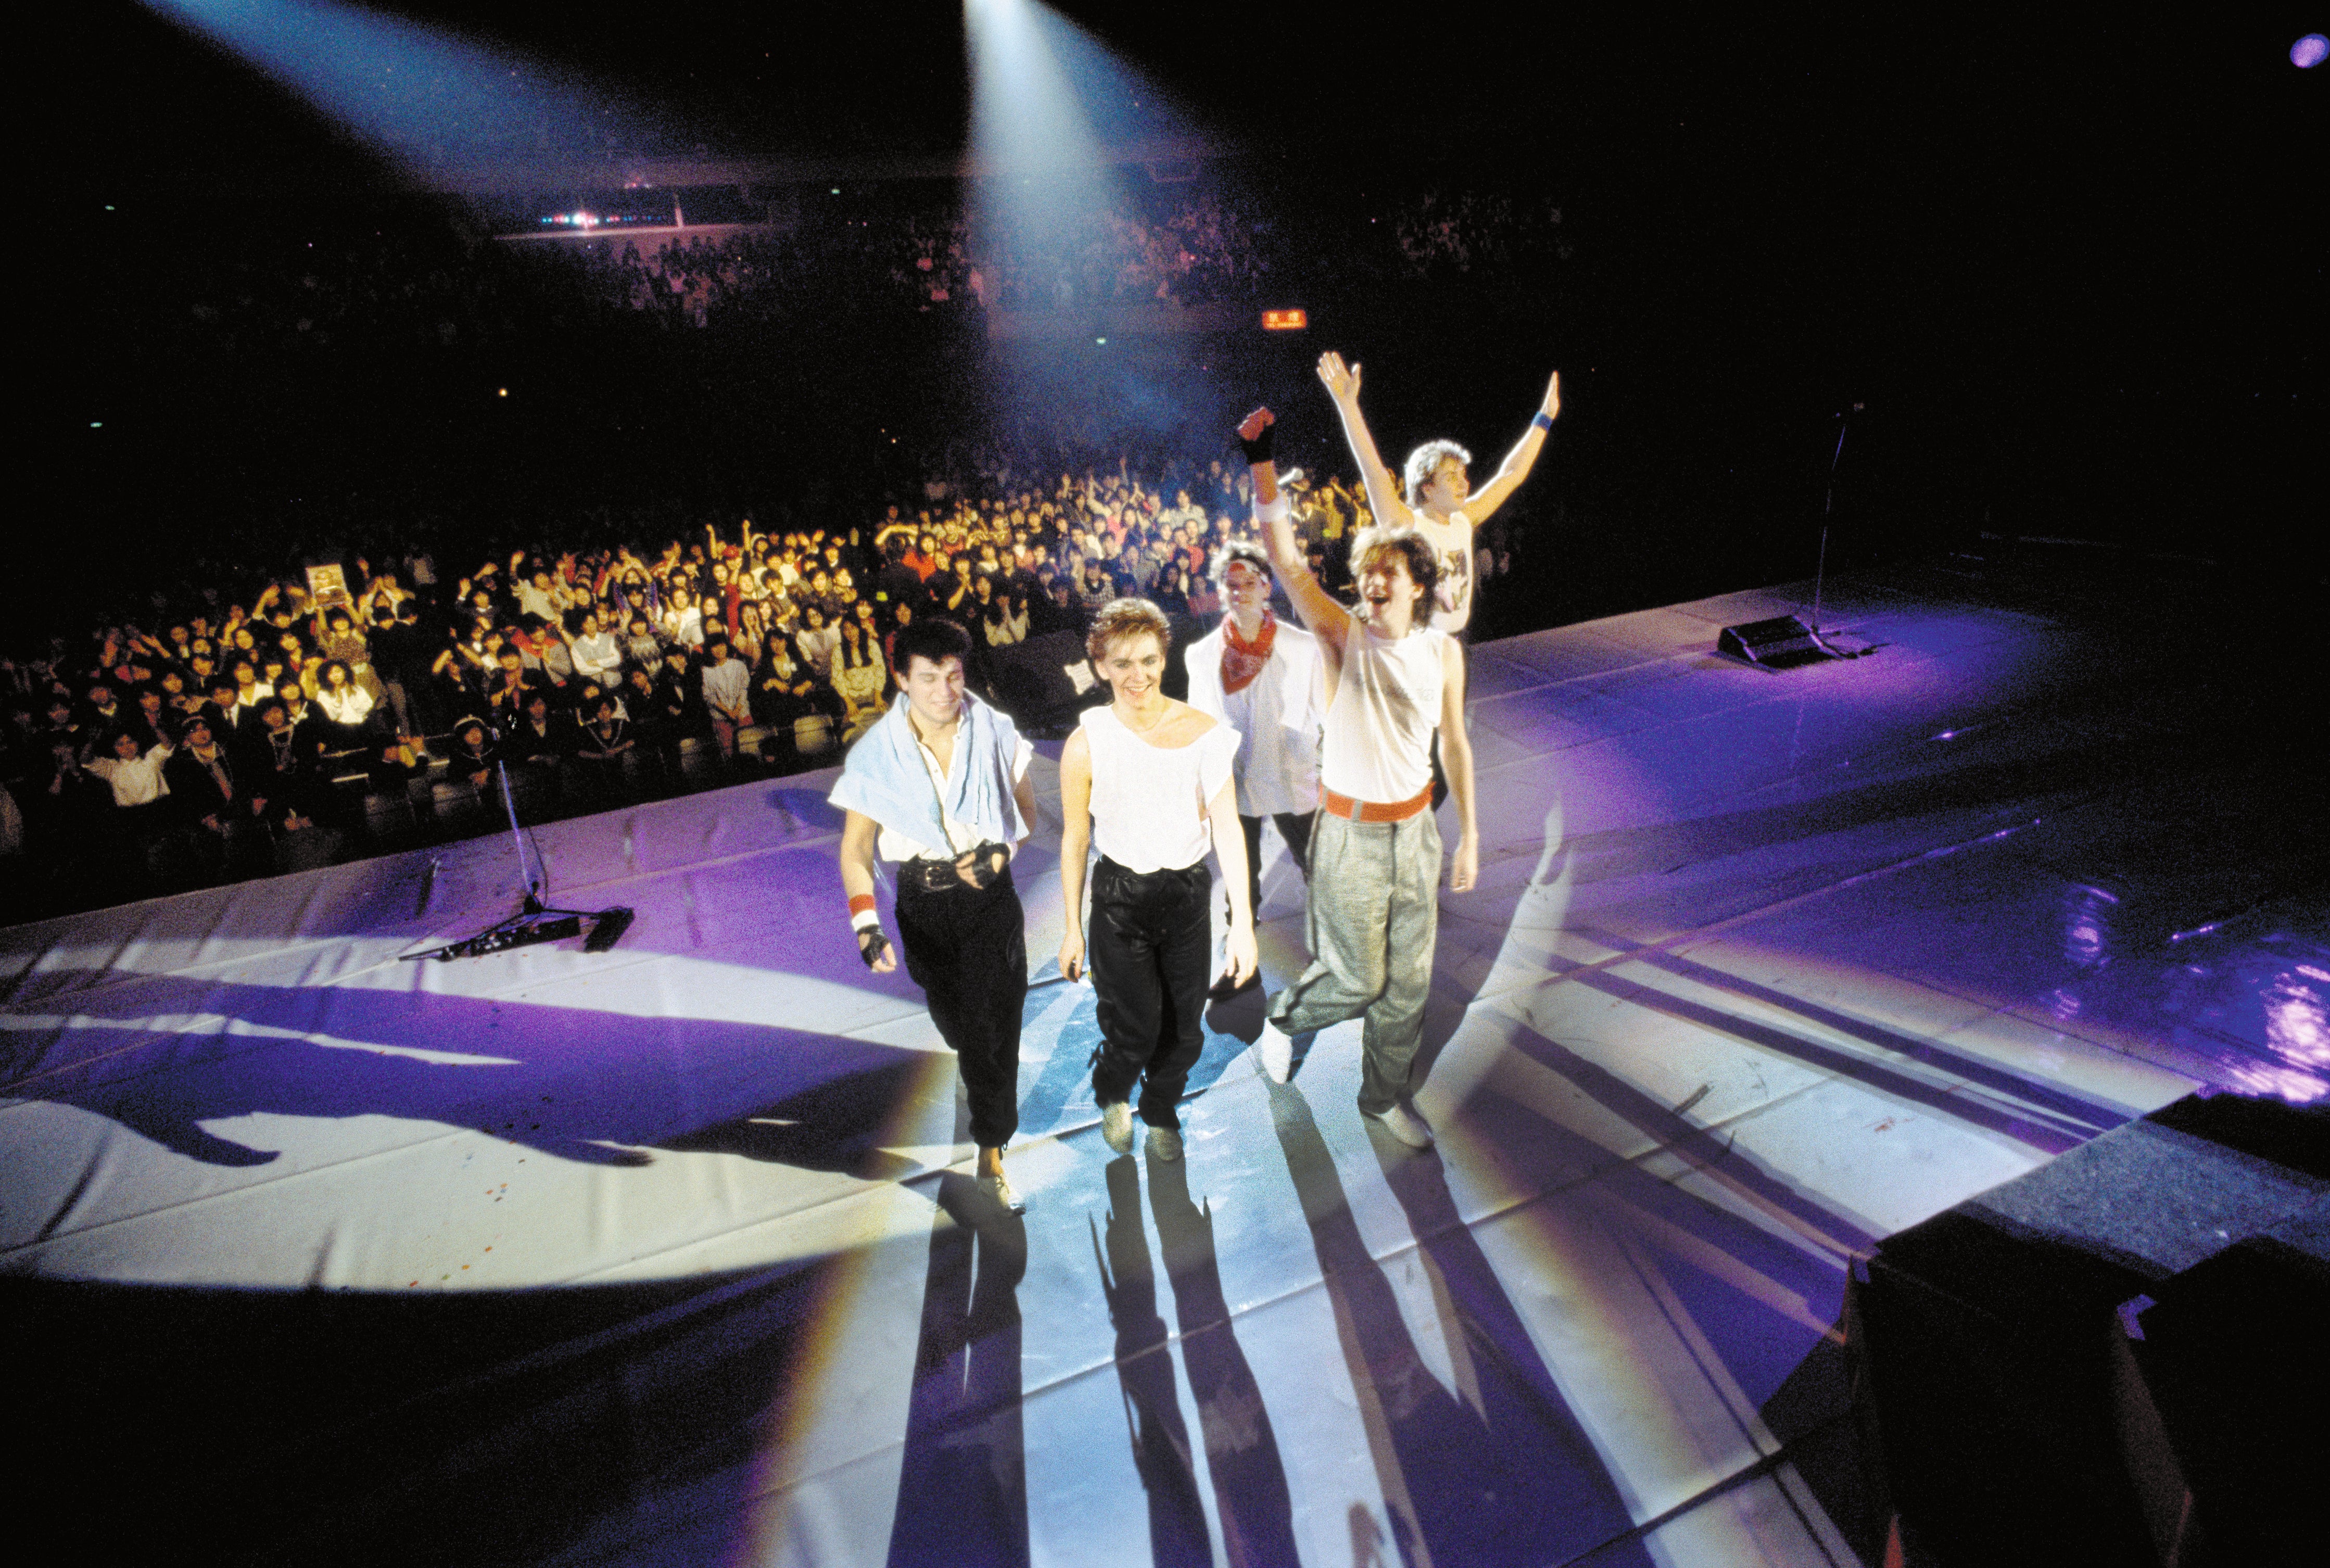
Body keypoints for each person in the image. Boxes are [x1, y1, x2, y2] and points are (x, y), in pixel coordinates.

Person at [1239, 404, 1477, 1149]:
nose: (1372, 584)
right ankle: (1285, 1018)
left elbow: (1457, 746)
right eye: (1366, 574)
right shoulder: (1343, 634)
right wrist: (1263, 461)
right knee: (1357, 982)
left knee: (1408, 987)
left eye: (1388, 575)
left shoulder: (1443, 654)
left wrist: (1469, 832)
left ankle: (1382, 1098)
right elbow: (1285, 560)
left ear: (1417, 586)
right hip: (1348, 835)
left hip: (1418, 832)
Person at [831, 617, 1041, 1213]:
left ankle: (991, 1153)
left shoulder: (996, 730)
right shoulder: (876, 755)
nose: (945, 691)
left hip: (989, 900)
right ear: (901, 680)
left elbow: (1025, 814)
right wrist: (866, 925)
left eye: (954, 675)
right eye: (929, 679)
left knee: (987, 1030)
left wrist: (1003, 851)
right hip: (921, 904)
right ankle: (981, 1070)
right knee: (958, 1022)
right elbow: (854, 848)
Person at [1057, 599, 1257, 1164]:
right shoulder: (1087, 741)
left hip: (1187, 899)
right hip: (1120, 902)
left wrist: (1242, 925)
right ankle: (1113, 1087)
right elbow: (1075, 840)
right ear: (1100, 667)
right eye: (1121, 664)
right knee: (1137, 1027)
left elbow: (1227, 830)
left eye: (1148, 660)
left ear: (1165, 658)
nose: (1137, 676)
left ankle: (1162, 1108)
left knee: (1186, 1032)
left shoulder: (1204, 734)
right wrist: (1072, 929)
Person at [1313, 350, 1560, 639]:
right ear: (1426, 488)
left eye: (1463, 476)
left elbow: (1511, 475)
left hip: (1459, 639)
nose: (1463, 484)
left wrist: (1544, 419)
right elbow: (1374, 473)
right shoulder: (1409, 526)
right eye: (1451, 477)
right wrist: (1348, 407)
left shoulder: (1463, 519)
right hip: (1421, 645)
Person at [1182, 539, 1325, 982]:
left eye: (1250, 582)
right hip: (1237, 778)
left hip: (1292, 774)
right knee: (1241, 875)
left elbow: (1324, 709)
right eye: (1231, 584)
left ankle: (1332, 950)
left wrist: (1326, 767)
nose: (1240, 591)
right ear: (1220, 592)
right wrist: (1202, 787)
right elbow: (1201, 725)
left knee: (1318, 866)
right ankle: (1241, 950)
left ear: (1267, 588)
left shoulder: (1302, 646)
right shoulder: (1202, 655)